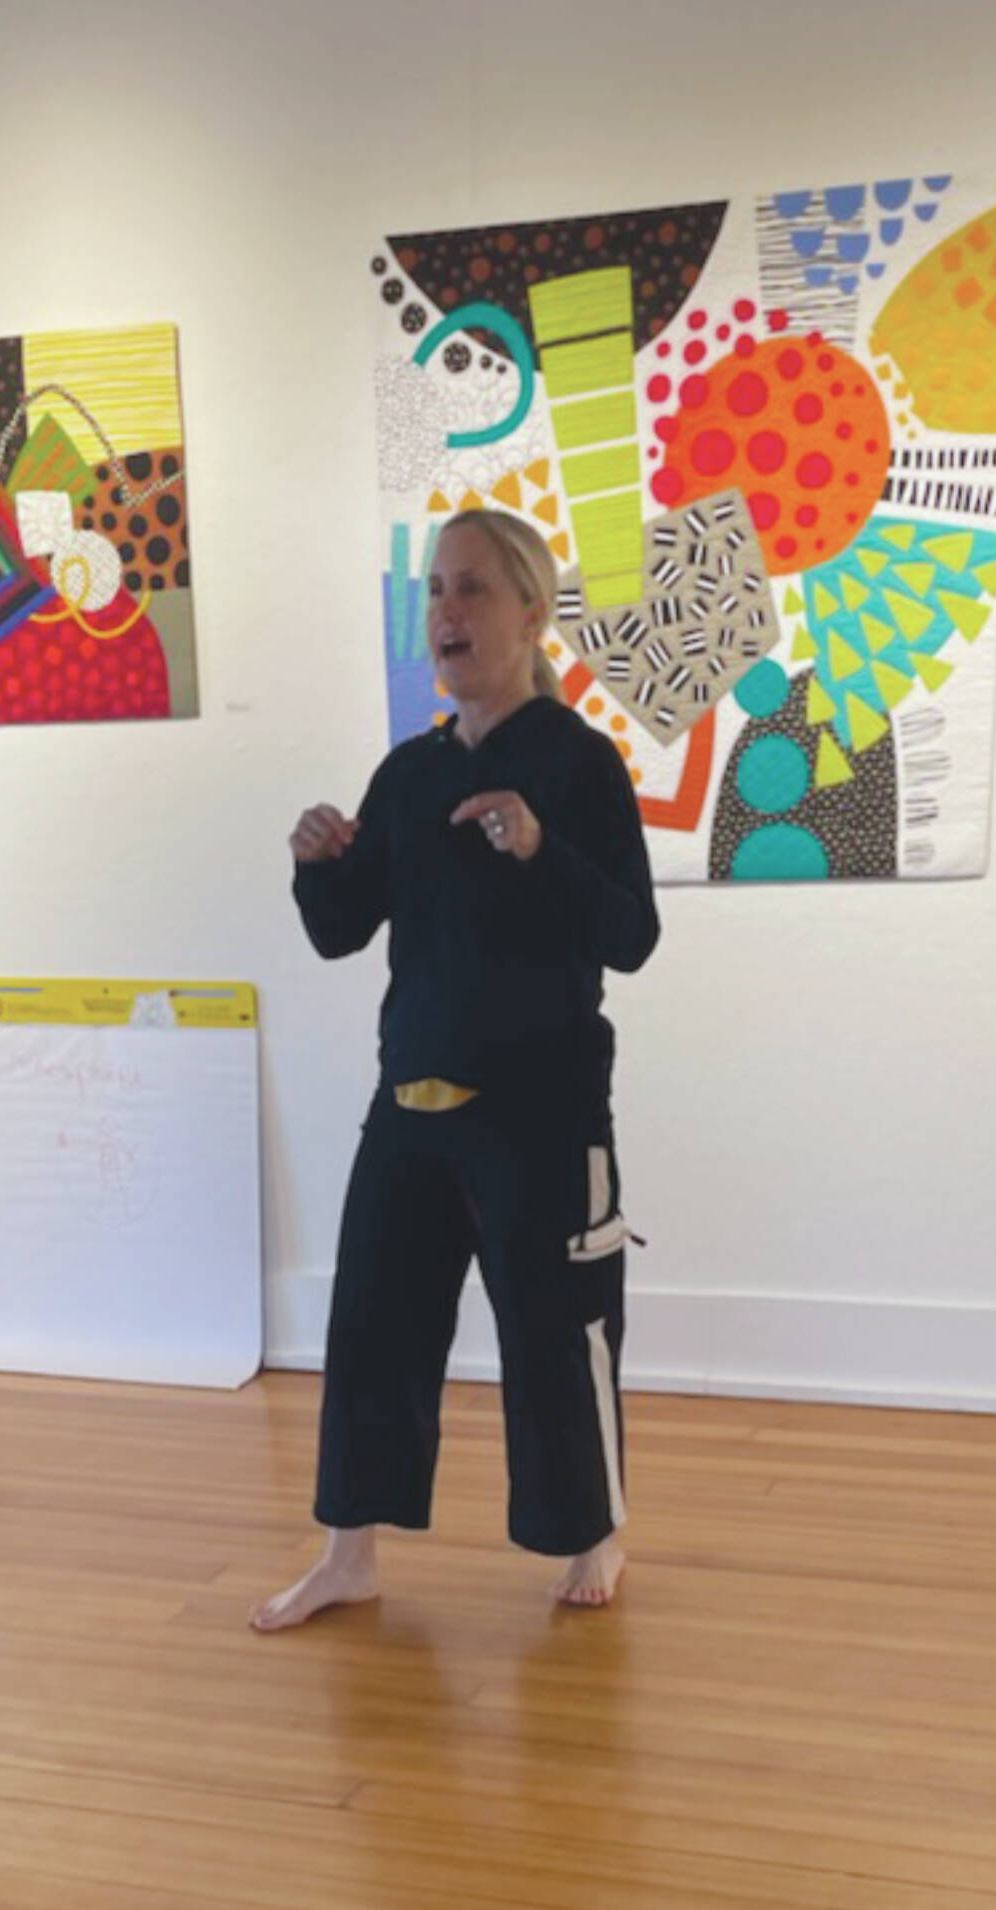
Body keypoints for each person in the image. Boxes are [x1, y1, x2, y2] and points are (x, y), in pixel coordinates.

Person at [250, 507, 660, 1632]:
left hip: (542, 1110)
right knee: (371, 1330)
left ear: (531, 612)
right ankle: (348, 1556)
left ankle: (594, 1531)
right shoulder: (409, 774)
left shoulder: (580, 766)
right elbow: (342, 931)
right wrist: (316, 866)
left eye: (473, 588)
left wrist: (539, 847)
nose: (448, 611)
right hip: (412, 1105)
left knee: (555, 1332)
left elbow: (632, 935)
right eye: (436, 590)